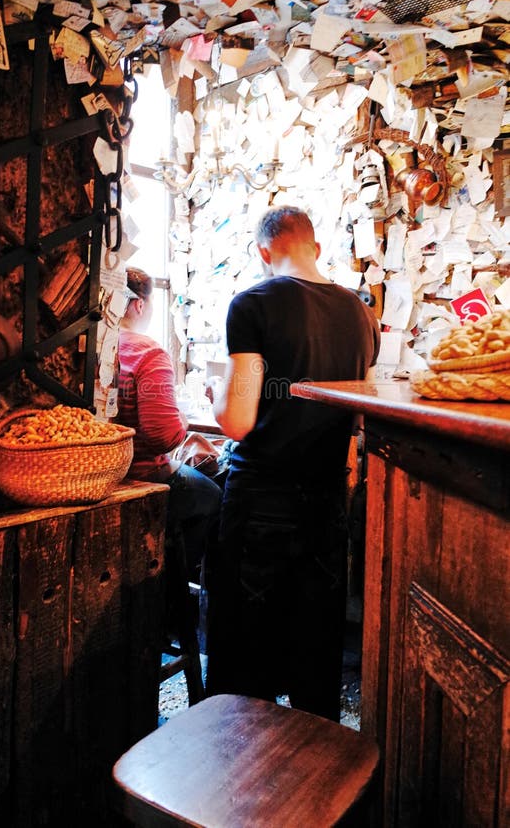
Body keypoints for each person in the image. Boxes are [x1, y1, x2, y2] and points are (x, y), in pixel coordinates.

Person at [204, 205, 380, 721]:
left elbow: (237, 420)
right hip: (327, 502)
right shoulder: (359, 313)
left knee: (244, 665)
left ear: (264, 252)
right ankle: (317, 789)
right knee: (315, 657)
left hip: (263, 502)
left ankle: (239, 787)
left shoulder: (252, 304)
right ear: (316, 247)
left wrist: (217, 392)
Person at [117, 267, 222, 579]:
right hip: (143, 473)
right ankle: (180, 582)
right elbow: (162, 436)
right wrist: (182, 421)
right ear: (139, 305)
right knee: (213, 494)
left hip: (108, 471)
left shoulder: (102, 343)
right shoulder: (149, 352)